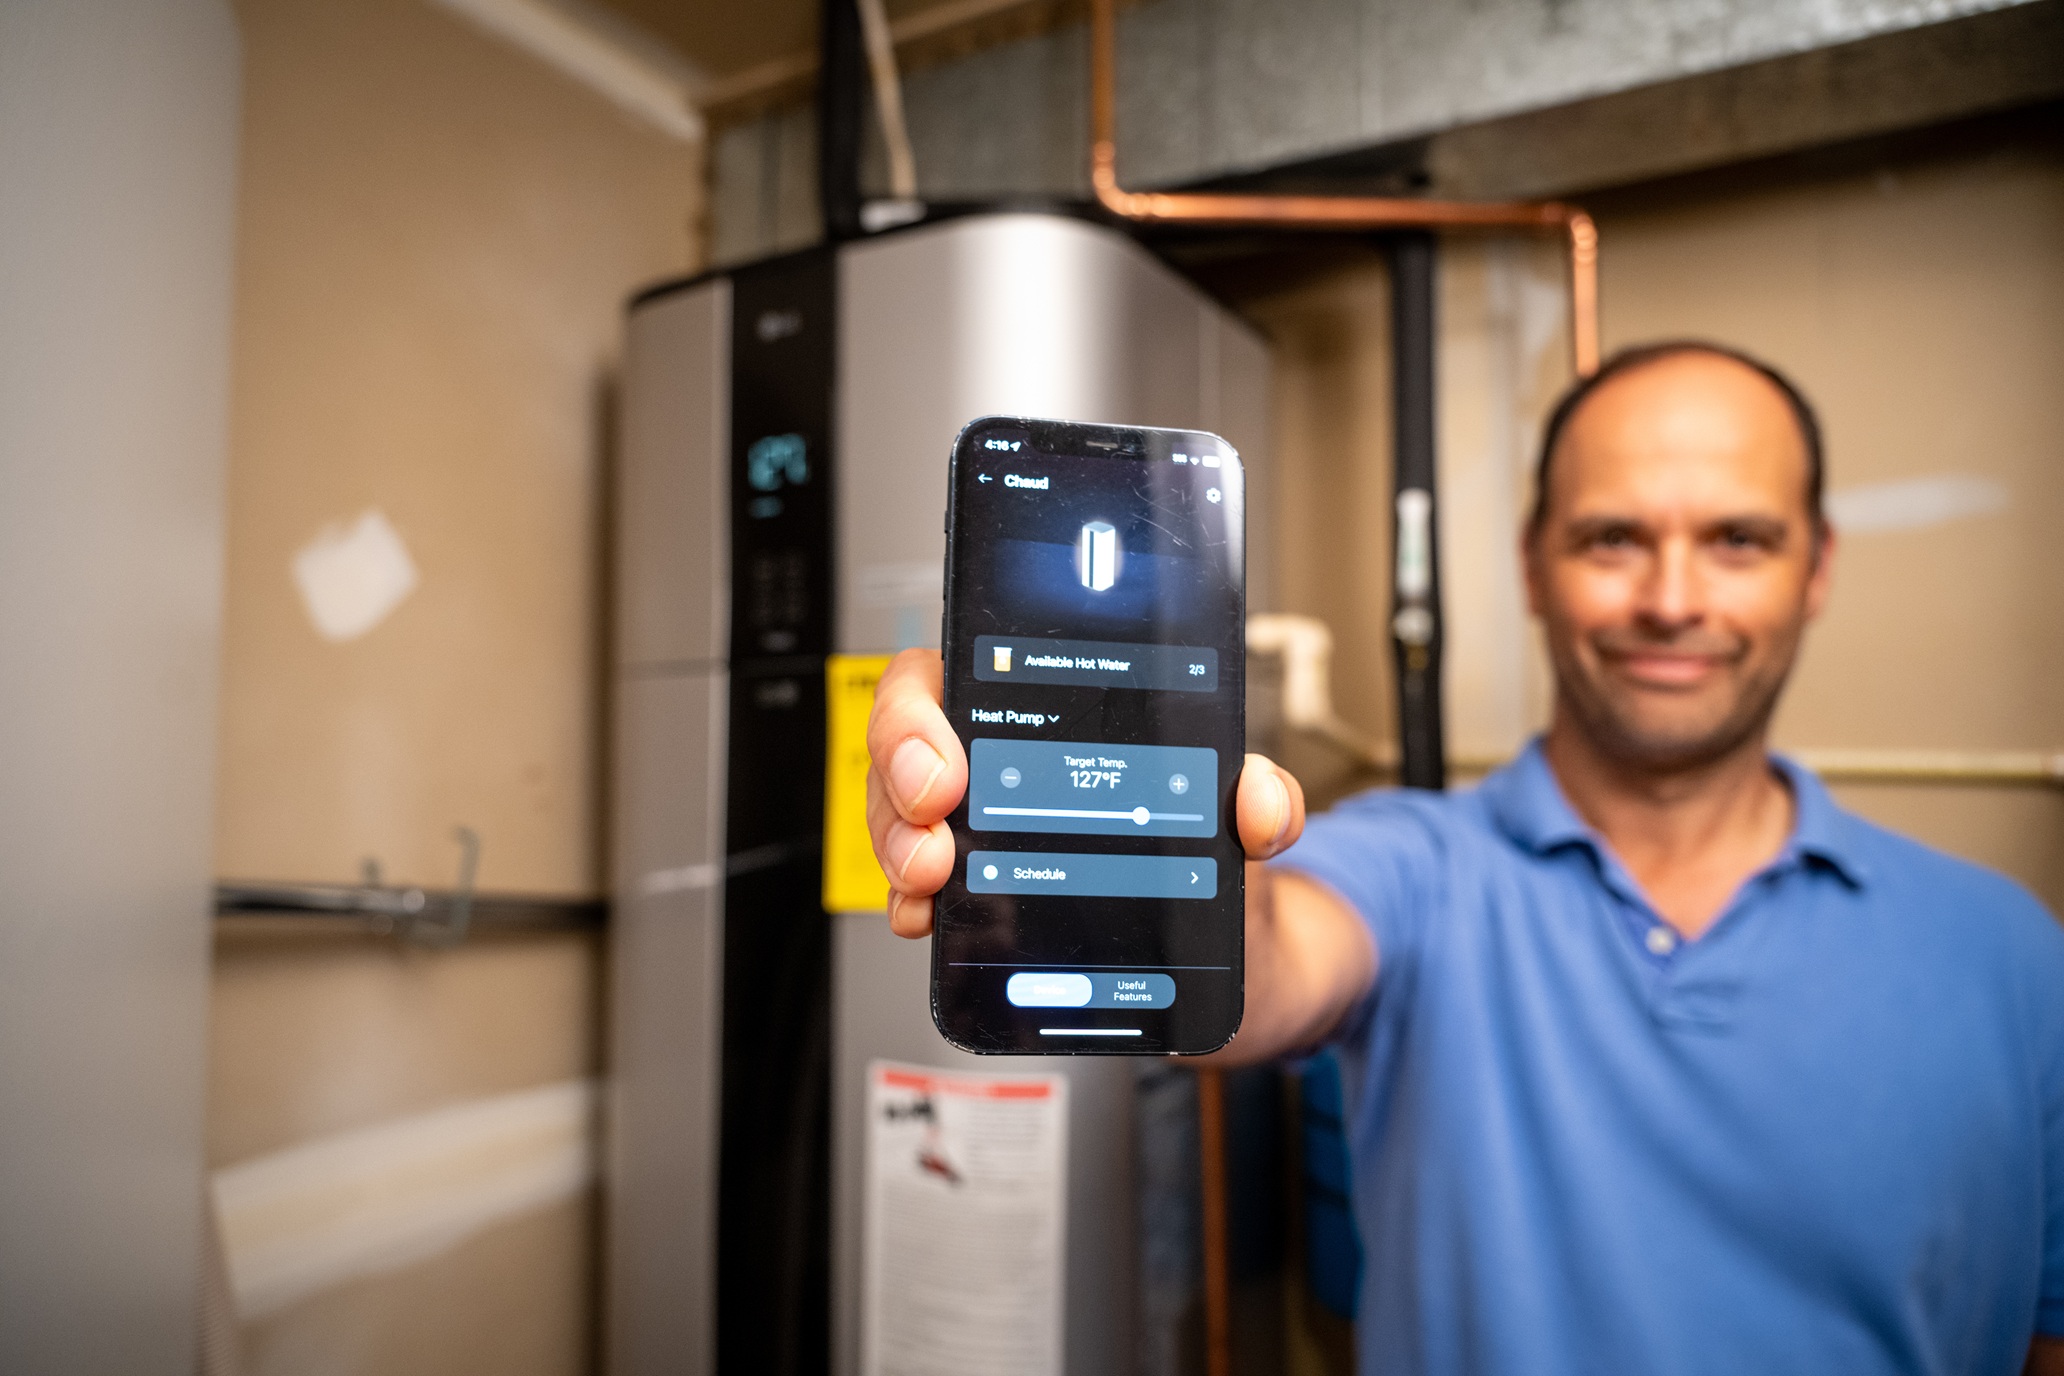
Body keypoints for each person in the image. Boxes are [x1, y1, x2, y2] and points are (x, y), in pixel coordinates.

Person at [863, 342, 2064, 1375]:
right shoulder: (1416, 864)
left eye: (1739, 539)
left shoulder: (2016, 957)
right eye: (1613, 538)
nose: (1672, 597)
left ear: (1818, 569)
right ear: (1534, 564)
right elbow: (1268, 962)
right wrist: (1074, 847)